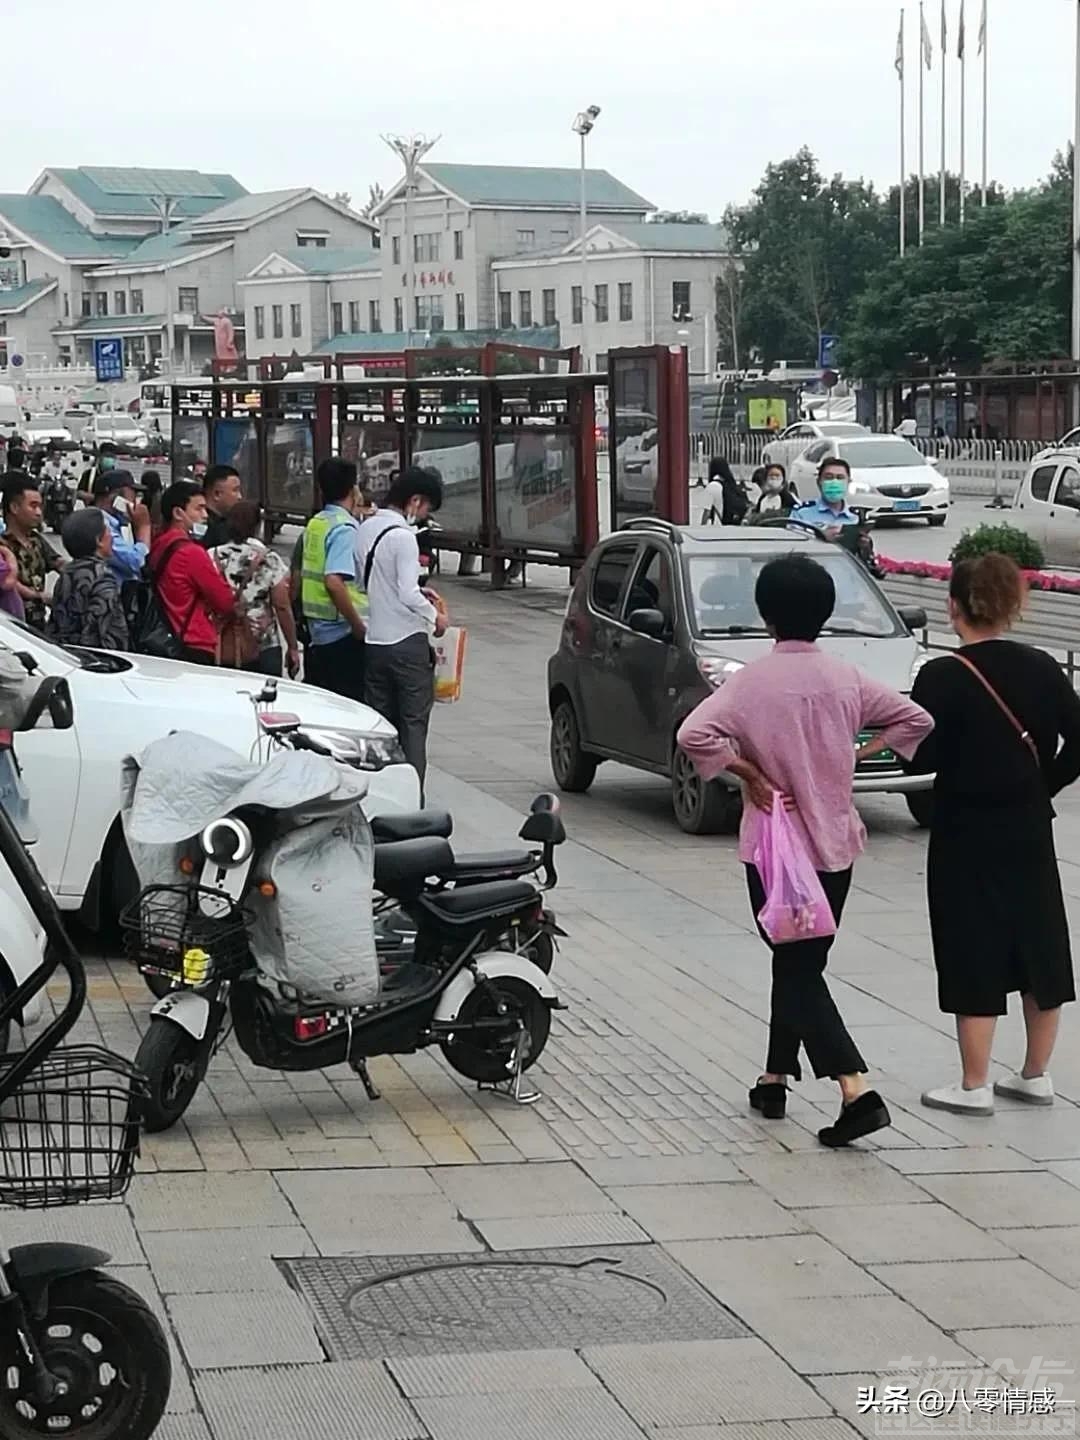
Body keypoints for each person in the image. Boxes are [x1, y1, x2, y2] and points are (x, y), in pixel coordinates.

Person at [677, 554, 933, 1147]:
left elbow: (694, 734)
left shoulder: (750, 681)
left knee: (797, 966)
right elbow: (914, 718)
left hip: (774, 851)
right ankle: (774, 1077)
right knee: (799, 962)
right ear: (826, 613)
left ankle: (855, 1089)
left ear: (766, 615)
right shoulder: (846, 677)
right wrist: (860, 755)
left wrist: (746, 771)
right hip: (835, 845)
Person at [908, 555, 1080, 1115]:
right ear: (1013, 606)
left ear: (953, 605)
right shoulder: (1045, 667)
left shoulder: (940, 675)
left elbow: (926, 753)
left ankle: (975, 1082)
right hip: (1029, 825)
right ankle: (1036, 1074)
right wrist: (1040, 784)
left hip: (963, 827)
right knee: (1040, 938)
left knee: (971, 942)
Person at [356, 467, 447, 789]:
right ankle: (410, 797)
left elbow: (367, 583)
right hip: (407, 645)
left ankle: (379, 790)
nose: (423, 516)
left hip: (375, 642)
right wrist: (434, 615)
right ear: (415, 501)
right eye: (425, 509)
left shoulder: (366, 528)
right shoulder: (404, 537)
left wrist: (413, 594)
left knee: (381, 725)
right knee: (413, 726)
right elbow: (408, 592)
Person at [300, 458, 367, 699]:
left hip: (317, 632)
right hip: (342, 633)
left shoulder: (317, 523)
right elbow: (334, 581)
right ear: (353, 490)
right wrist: (358, 625)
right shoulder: (345, 529)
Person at [147, 481, 235, 665]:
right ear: (178, 513)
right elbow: (225, 602)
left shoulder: (160, 544)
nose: (205, 516)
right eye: (199, 509)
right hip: (193, 641)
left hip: (165, 636)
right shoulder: (191, 553)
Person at [211, 500, 299, 677]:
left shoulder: (212, 556)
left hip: (223, 642)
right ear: (257, 526)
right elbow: (282, 605)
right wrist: (293, 647)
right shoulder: (270, 560)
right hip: (263, 644)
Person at [47, 508, 129, 651]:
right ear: (99, 541)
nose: (112, 537)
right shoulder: (102, 577)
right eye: (108, 531)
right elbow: (107, 630)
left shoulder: (67, 572)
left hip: (63, 654)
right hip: (92, 660)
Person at [1, 477, 63, 631]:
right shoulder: (3, 545)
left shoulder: (36, 540)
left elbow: (58, 562)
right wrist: (38, 595)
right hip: (12, 622)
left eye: (40, 507)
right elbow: (9, 582)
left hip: (38, 622)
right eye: (33, 506)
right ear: (14, 508)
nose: (38, 513)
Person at [91, 468, 152, 582]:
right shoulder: (102, 525)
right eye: (132, 497)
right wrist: (144, 527)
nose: (135, 503)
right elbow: (138, 562)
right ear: (116, 497)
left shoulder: (115, 524)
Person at [791, 457, 860, 541]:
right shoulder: (801, 513)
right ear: (819, 481)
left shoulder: (856, 516)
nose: (834, 482)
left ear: (848, 482)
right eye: (829, 477)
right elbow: (793, 546)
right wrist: (820, 536)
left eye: (840, 477)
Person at [202, 464, 243, 549]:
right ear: (217, 494)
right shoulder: (203, 527)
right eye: (235, 490)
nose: (239, 497)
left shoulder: (230, 523)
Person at [702, 457, 748, 526]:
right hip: (739, 523)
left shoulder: (712, 486)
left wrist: (702, 529)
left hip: (725, 526)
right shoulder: (732, 485)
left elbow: (707, 513)